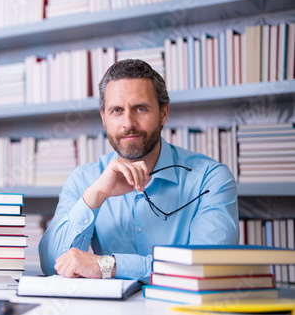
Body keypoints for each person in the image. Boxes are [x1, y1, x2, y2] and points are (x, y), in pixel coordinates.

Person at [38, 59, 239, 282]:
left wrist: (110, 266)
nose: (128, 123)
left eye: (140, 109)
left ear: (163, 113)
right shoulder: (84, 180)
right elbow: (52, 266)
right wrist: (94, 198)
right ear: (104, 118)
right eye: (116, 110)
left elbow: (208, 267)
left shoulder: (210, 179)